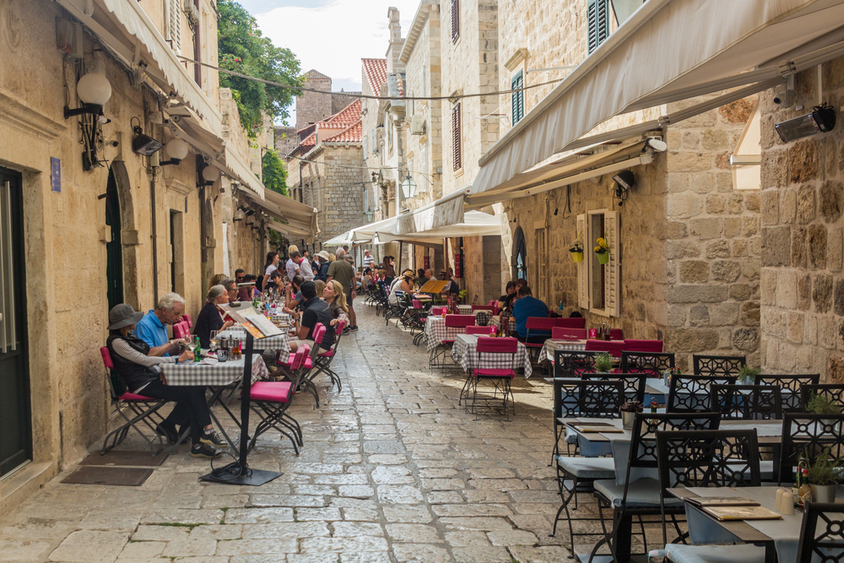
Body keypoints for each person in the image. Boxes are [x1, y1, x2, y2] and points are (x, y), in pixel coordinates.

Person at [106, 303, 227, 458]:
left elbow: (147, 359)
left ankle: (192, 437)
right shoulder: (117, 342)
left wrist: (163, 368)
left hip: (151, 377)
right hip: (143, 384)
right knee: (193, 391)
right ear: (125, 323)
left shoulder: (127, 337)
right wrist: (176, 360)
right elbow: (144, 360)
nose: (136, 321)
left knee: (195, 388)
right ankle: (202, 436)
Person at [135, 293, 187, 357]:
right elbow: (147, 354)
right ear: (164, 310)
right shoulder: (143, 325)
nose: (178, 318)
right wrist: (172, 343)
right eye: (176, 314)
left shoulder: (163, 323)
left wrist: (179, 345)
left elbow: (164, 353)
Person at [289, 281, 334, 352]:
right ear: (316, 293)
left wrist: (296, 319)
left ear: (302, 296)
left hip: (318, 345)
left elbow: (301, 337)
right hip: (325, 341)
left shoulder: (310, 311)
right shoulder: (324, 303)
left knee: (283, 346)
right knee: (286, 340)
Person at [327, 248, 358, 332]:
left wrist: (327, 287)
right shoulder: (348, 265)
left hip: (338, 291)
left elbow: (330, 277)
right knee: (350, 307)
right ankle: (353, 325)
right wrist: (354, 290)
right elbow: (354, 278)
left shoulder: (334, 264)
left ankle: (343, 326)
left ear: (336, 256)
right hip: (348, 290)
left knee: (340, 308)